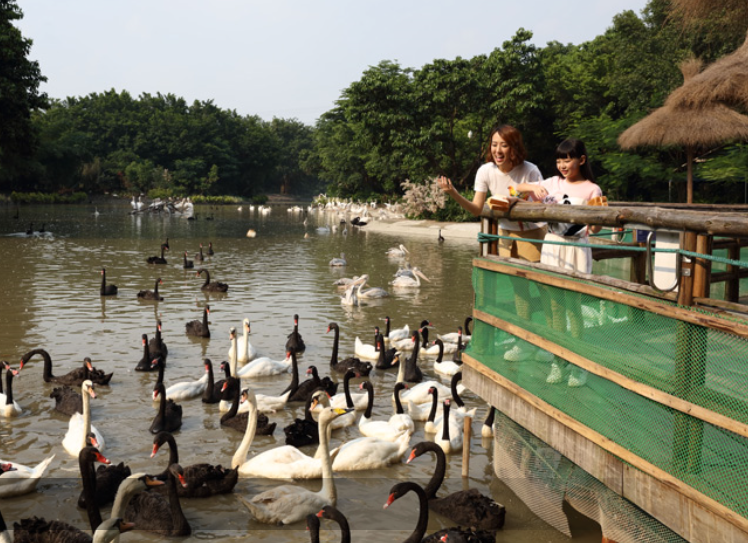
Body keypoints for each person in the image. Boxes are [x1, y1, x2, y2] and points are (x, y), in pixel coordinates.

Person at [437, 124, 552, 363]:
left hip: (532, 233)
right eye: (494, 144)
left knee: (543, 288)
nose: (498, 150)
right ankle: (524, 343)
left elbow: (542, 202)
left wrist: (517, 198)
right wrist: (453, 192)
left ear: (514, 147)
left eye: (504, 145)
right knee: (519, 291)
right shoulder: (485, 171)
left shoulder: (530, 170)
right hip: (505, 236)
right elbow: (477, 208)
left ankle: (548, 344)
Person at [539, 138, 603, 387]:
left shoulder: (592, 189)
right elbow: (520, 188)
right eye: (559, 159)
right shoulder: (552, 182)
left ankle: (577, 364)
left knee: (573, 308)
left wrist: (600, 217)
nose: (562, 164)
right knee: (554, 306)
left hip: (576, 248)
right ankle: (558, 361)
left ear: (581, 160)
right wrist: (534, 190)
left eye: (567, 159)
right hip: (553, 245)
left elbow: (595, 227)